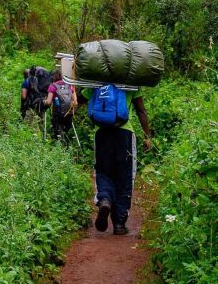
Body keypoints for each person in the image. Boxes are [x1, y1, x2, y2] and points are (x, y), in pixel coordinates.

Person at [80, 86, 152, 235]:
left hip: (102, 133)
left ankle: (105, 199)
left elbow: (79, 100)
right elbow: (141, 110)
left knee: (103, 170)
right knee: (125, 176)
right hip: (125, 133)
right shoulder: (130, 83)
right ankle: (119, 223)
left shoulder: (96, 82)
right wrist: (147, 136)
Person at [43, 69, 77, 140]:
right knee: (66, 130)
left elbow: (48, 102)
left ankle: (59, 143)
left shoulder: (52, 86)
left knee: (57, 130)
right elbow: (75, 102)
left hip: (57, 113)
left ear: (54, 76)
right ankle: (66, 143)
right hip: (69, 112)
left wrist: (44, 101)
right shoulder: (70, 85)